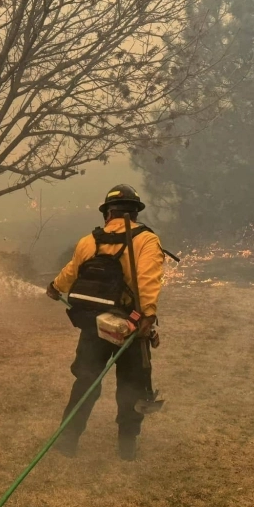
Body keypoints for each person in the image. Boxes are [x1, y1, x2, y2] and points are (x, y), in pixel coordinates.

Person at [46, 184, 164, 461]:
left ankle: (68, 439)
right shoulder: (146, 240)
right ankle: (127, 445)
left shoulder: (89, 241)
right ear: (134, 212)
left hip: (93, 324)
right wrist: (147, 315)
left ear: (107, 214)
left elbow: (71, 271)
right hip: (131, 327)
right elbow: (147, 280)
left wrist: (55, 287)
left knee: (86, 381)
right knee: (132, 385)